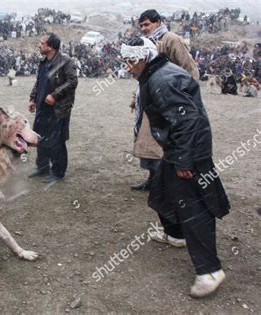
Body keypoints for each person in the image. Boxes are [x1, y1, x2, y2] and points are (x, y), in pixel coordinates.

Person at [121, 38, 230, 298]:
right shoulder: (157, 74)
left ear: (144, 58)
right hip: (178, 149)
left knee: (193, 208)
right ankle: (176, 234)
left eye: (130, 61)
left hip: (189, 152)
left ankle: (210, 271)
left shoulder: (162, 80)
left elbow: (188, 121)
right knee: (160, 192)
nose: (127, 67)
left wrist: (183, 161)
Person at [131, 9, 200, 192]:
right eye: (142, 26)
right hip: (150, 98)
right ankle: (153, 179)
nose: (144, 28)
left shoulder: (171, 40)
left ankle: (165, 184)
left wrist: (182, 96)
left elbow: (189, 69)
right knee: (148, 141)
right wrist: (135, 96)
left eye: (147, 24)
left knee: (163, 142)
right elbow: (142, 74)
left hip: (168, 99)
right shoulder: (147, 43)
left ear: (158, 22)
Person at [28, 33, 78, 183]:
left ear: (50, 47)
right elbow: (39, 82)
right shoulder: (43, 62)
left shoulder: (66, 61)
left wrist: (55, 95)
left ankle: (58, 172)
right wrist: (32, 98)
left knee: (57, 141)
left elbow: (73, 81)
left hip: (58, 108)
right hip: (42, 107)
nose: (39, 45)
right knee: (40, 137)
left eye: (42, 43)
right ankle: (42, 166)